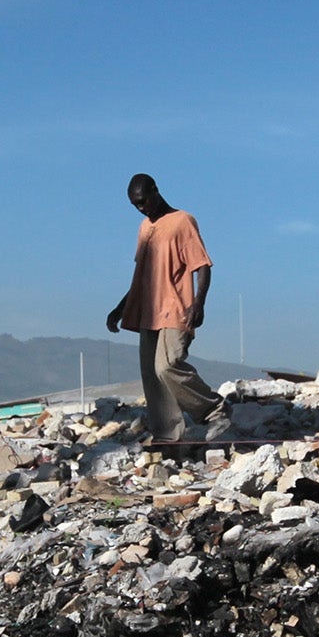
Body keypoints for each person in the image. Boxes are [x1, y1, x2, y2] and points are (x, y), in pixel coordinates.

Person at [106, 174, 234, 444]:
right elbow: (142, 274)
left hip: (177, 307)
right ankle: (168, 436)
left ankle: (213, 409)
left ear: (155, 191)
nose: (141, 208)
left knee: (168, 365)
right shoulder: (145, 227)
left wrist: (199, 303)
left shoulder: (182, 221)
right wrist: (119, 308)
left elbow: (202, 266)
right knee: (151, 376)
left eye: (143, 202)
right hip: (147, 310)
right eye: (135, 205)